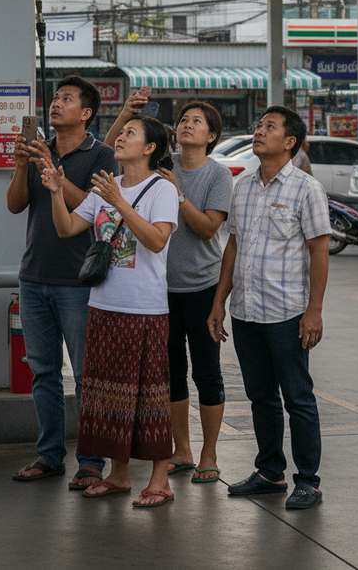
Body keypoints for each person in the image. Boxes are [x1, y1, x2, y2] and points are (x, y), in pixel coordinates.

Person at [41, 116, 179, 508]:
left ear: (150, 148)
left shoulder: (161, 189)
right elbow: (68, 228)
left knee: (150, 395)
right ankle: (118, 475)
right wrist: (56, 193)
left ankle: (160, 481)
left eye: (130, 133)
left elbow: (156, 241)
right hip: (102, 304)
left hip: (144, 309)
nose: (120, 138)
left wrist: (119, 203)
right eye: (121, 132)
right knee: (108, 394)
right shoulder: (107, 186)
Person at [208, 105, 330, 511]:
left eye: (269, 127)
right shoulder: (242, 187)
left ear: (289, 141)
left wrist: (314, 311)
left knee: (298, 398)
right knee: (260, 396)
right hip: (246, 312)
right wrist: (219, 302)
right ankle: (270, 472)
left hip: (286, 313)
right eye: (259, 125)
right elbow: (233, 245)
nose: (259, 131)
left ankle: (308, 481)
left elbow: (319, 251)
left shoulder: (306, 189)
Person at [7, 76, 117, 490]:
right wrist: (23, 165)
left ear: (86, 113)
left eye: (66, 99)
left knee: (88, 376)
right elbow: (15, 205)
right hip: (34, 275)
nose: (55, 103)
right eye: (54, 98)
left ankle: (90, 461)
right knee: (43, 373)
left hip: (80, 281)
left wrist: (54, 175)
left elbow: (97, 207)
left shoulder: (102, 155)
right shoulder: (40, 149)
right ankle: (49, 455)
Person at [156, 101, 233, 483]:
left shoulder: (219, 175)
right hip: (161, 288)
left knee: (207, 373)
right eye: (184, 119)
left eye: (197, 121)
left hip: (203, 286)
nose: (187, 125)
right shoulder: (161, 164)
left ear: (211, 136)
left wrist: (178, 193)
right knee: (172, 372)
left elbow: (207, 229)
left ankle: (209, 454)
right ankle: (182, 450)